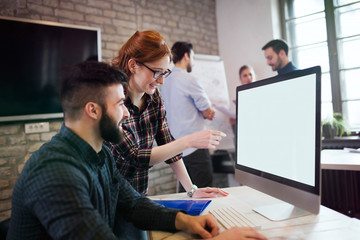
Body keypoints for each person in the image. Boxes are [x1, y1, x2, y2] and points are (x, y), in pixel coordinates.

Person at [6, 61, 267, 240]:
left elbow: (132, 204)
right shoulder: (56, 172)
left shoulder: (100, 154)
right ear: (93, 110)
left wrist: (185, 221)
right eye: (120, 103)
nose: (125, 112)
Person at [110, 30, 228, 198]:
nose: (161, 81)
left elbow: (167, 141)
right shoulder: (113, 99)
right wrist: (188, 141)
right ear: (133, 65)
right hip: (110, 197)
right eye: (157, 72)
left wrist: (192, 190)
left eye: (165, 72)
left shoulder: (154, 99)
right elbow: (135, 156)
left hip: (138, 196)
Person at [161, 41, 217, 192]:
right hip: (196, 147)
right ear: (186, 56)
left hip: (177, 148)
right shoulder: (190, 79)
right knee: (204, 193)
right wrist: (209, 111)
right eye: (192, 56)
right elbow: (207, 112)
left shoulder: (164, 81)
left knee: (187, 193)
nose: (193, 61)